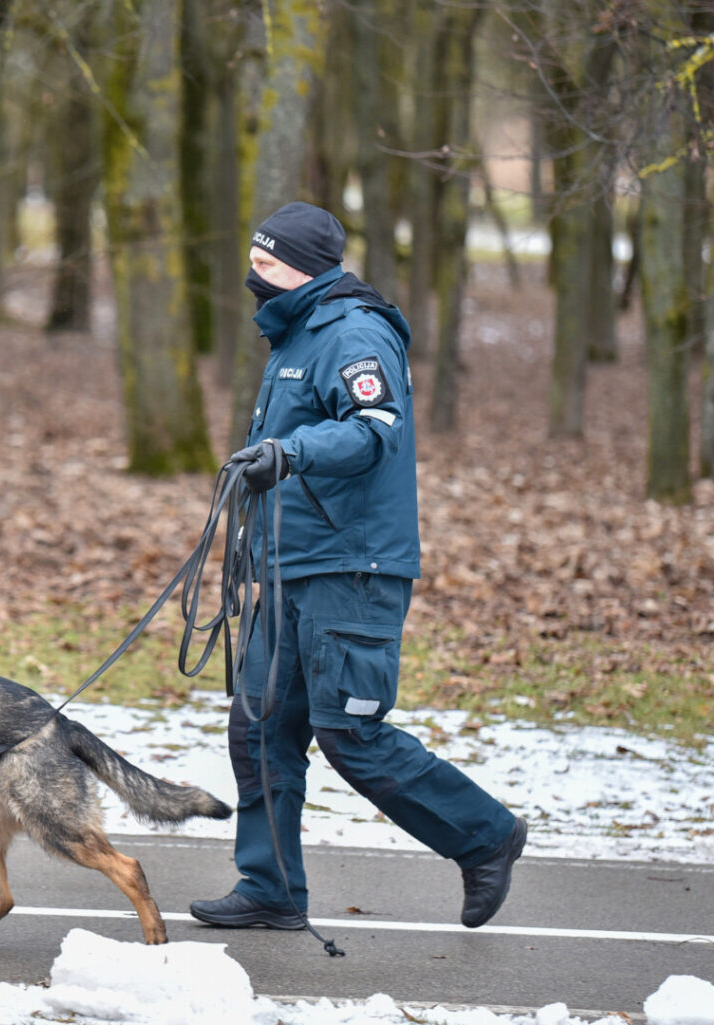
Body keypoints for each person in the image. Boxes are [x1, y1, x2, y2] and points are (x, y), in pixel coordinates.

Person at [190, 201, 527, 932]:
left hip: (353, 568)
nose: (255, 275)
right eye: (254, 261)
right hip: (292, 565)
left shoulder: (353, 332)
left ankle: (486, 836)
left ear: (305, 268)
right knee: (258, 728)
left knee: (352, 734)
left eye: (267, 263)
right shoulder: (296, 332)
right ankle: (271, 887)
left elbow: (374, 431)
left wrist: (291, 452)